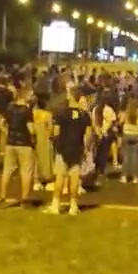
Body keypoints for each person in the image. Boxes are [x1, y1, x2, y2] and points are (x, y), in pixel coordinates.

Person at [44, 87, 92, 216]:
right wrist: (85, 149)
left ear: (71, 97)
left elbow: (56, 132)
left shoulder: (61, 113)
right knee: (75, 178)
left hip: (63, 148)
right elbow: (87, 136)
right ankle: (73, 206)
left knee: (60, 177)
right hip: (77, 149)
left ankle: (55, 205)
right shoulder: (85, 115)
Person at [0, 84, 36, 208]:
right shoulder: (27, 111)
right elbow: (31, 129)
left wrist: (8, 132)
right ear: (25, 97)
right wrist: (34, 139)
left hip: (11, 143)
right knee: (26, 172)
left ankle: (2, 197)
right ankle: (24, 200)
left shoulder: (9, 108)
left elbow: (1, 124)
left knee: (7, 171)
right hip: (24, 144)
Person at [119, 96, 138, 184]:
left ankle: (124, 176)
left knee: (126, 157)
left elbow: (120, 122)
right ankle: (135, 177)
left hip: (126, 135)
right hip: (136, 135)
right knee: (134, 157)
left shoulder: (125, 113)